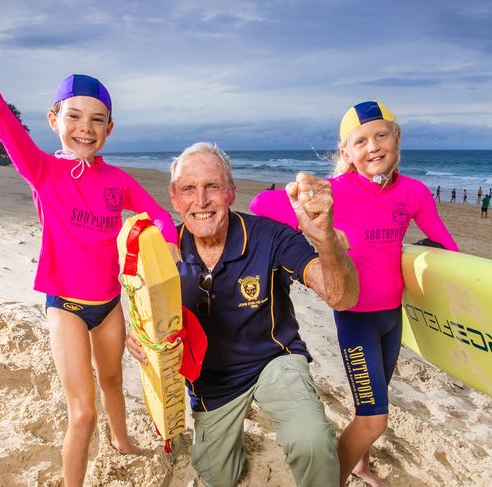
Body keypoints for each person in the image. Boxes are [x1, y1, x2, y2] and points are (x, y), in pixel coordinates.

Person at [0, 3, 180, 485]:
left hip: (109, 305)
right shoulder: (41, 170)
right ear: (54, 119)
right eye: (74, 116)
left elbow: (156, 215)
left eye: (97, 119)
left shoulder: (118, 180)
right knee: (82, 411)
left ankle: (123, 438)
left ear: (109, 129)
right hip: (64, 306)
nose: (85, 128)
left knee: (113, 381)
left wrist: (166, 241)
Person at [250, 101, 458, 487]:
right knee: (374, 418)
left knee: (373, 405)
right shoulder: (333, 191)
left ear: (397, 140)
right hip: (355, 318)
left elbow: (447, 245)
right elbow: (261, 204)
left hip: (391, 317)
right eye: (360, 141)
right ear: (346, 153)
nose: (374, 146)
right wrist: (301, 211)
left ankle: (360, 464)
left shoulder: (413, 193)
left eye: (382, 135)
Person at [127, 142, 359, 487]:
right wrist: (140, 340)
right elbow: (143, 318)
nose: (201, 200)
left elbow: (342, 298)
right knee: (218, 476)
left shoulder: (270, 236)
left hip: (273, 359)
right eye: (189, 189)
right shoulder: (162, 255)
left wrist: (325, 238)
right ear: (175, 198)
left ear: (231, 192)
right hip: (212, 383)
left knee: (311, 439)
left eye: (213, 187)